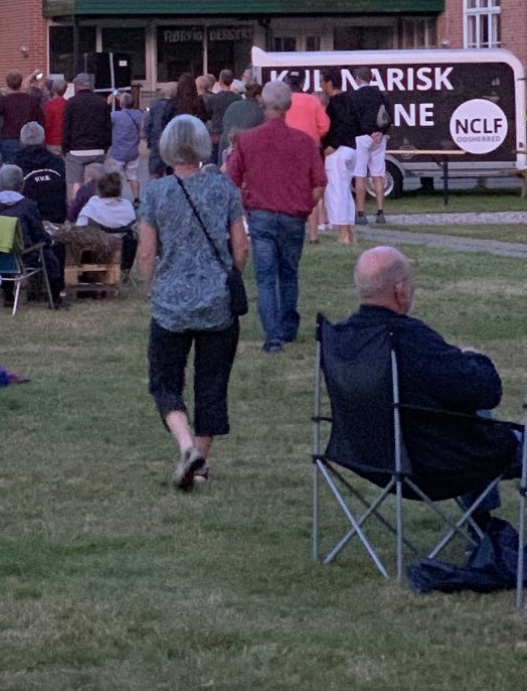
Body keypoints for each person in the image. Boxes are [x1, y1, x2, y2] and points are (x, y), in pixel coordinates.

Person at [329, 246, 522, 501]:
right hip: (432, 466)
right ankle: (482, 529)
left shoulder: (340, 338)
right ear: (400, 290)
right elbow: (484, 390)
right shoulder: (407, 338)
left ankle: (484, 529)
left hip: (368, 459)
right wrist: (474, 357)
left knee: (472, 414)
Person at [137, 114, 250, 490]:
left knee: (165, 381)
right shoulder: (224, 189)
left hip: (170, 303)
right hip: (217, 302)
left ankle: (186, 445)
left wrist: (153, 287)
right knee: (212, 385)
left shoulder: (155, 193)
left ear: (167, 148)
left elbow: (147, 253)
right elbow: (240, 246)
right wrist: (231, 275)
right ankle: (200, 465)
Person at [224, 80, 326, 355]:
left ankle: (273, 337)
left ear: (262, 103)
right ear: (289, 106)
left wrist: (244, 207)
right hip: (293, 215)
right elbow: (319, 183)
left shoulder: (247, 140)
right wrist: (305, 206)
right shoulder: (305, 142)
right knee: (289, 274)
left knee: (266, 277)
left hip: (261, 214)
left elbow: (231, 179)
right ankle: (288, 327)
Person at [0, 163, 64, 304]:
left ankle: (8, 295)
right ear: (21, 185)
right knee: (55, 249)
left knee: (6, 249)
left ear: (0, 184)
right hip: (25, 256)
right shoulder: (28, 205)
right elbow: (39, 235)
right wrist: (50, 241)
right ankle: (55, 296)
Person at [318, 67, 360, 245]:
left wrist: (331, 145)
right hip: (352, 149)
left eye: (322, 82)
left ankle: (343, 235)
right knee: (346, 192)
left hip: (339, 151)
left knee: (337, 193)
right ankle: (351, 233)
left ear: (329, 82)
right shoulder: (351, 100)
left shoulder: (335, 103)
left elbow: (340, 126)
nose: (321, 86)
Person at [350, 69, 394, 225]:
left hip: (361, 137)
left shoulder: (354, 96)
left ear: (358, 78)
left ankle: (360, 213)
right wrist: (381, 132)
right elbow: (390, 116)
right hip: (378, 138)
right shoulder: (380, 94)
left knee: (360, 175)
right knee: (378, 174)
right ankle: (380, 212)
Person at [12, 123, 68, 225]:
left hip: (28, 220)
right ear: (43, 140)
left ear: (21, 141)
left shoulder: (15, 164)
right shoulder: (57, 162)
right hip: (57, 217)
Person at [61, 73, 112, 184]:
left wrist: (65, 147)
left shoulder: (71, 103)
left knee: (75, 182)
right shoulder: (101, 102)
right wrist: (106, 146)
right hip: (97, 148)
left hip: (76, 149)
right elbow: (107, 126)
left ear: (77, 86)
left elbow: (66, 126)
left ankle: (76, 200)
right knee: (98, 181)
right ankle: (97, 200)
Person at [0, 72, 42, 169]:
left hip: (9, 138)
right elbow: (40, 119)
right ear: (20, 83)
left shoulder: (4, 100)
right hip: (27, 138)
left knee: (10, 169)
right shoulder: (31, 100)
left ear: (7, 84)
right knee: (27, 168)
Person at [219, 77, 264, 164]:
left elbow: (224, 123)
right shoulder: (260, 112)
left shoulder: (233, 106)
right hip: (243, 154)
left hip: (225, 151)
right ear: (258, 96)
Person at [108, 93, 144, 197]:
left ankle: (117, 197)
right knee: (133, 177)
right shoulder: (138, 114)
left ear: (121, 104)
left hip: (118, 152)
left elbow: (105, 117)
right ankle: (136, 198)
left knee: (116, 178)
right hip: (133, 152)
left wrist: (108, 103)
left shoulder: (115, 116)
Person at [283, 71, 330, 146]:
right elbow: (324, 127)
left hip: (286, 146)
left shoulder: (282, 101)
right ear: (303, 82)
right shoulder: (313, 100)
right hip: (310, 146)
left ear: (287, 81)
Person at [204, 69, 239, 142]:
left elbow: (208, 114)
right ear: (232, 81)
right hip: (232, 134)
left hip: (217, 134)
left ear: (220, 80)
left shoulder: (213, 98)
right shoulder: (238, 98)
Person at [40, 77, 68, 153]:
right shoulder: (68, 104)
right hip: (65, 141)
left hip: (51, 141)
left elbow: (46, 123)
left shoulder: (49, 105)